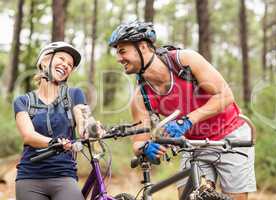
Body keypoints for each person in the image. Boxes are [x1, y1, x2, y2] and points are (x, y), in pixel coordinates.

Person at [108, 21, 256, 200]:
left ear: (143, 47)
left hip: (230, 136)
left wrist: (187, 120)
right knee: (189, 195)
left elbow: (225, 96)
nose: (118, 58)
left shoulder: (184, 60)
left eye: (122, 51)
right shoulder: (141, 96)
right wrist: (147, 148)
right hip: (192, 144)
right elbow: (138, 142)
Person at [13, 42, 104, 200]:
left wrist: (91, 128)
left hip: (63, 175)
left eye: (70, 64)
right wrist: (54, 142)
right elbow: (28, 135)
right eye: (61, 59)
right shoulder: (23, 101)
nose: (66, 65)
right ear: (45, 61)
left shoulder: (74, 95)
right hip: (29, 176)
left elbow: (83, 120)